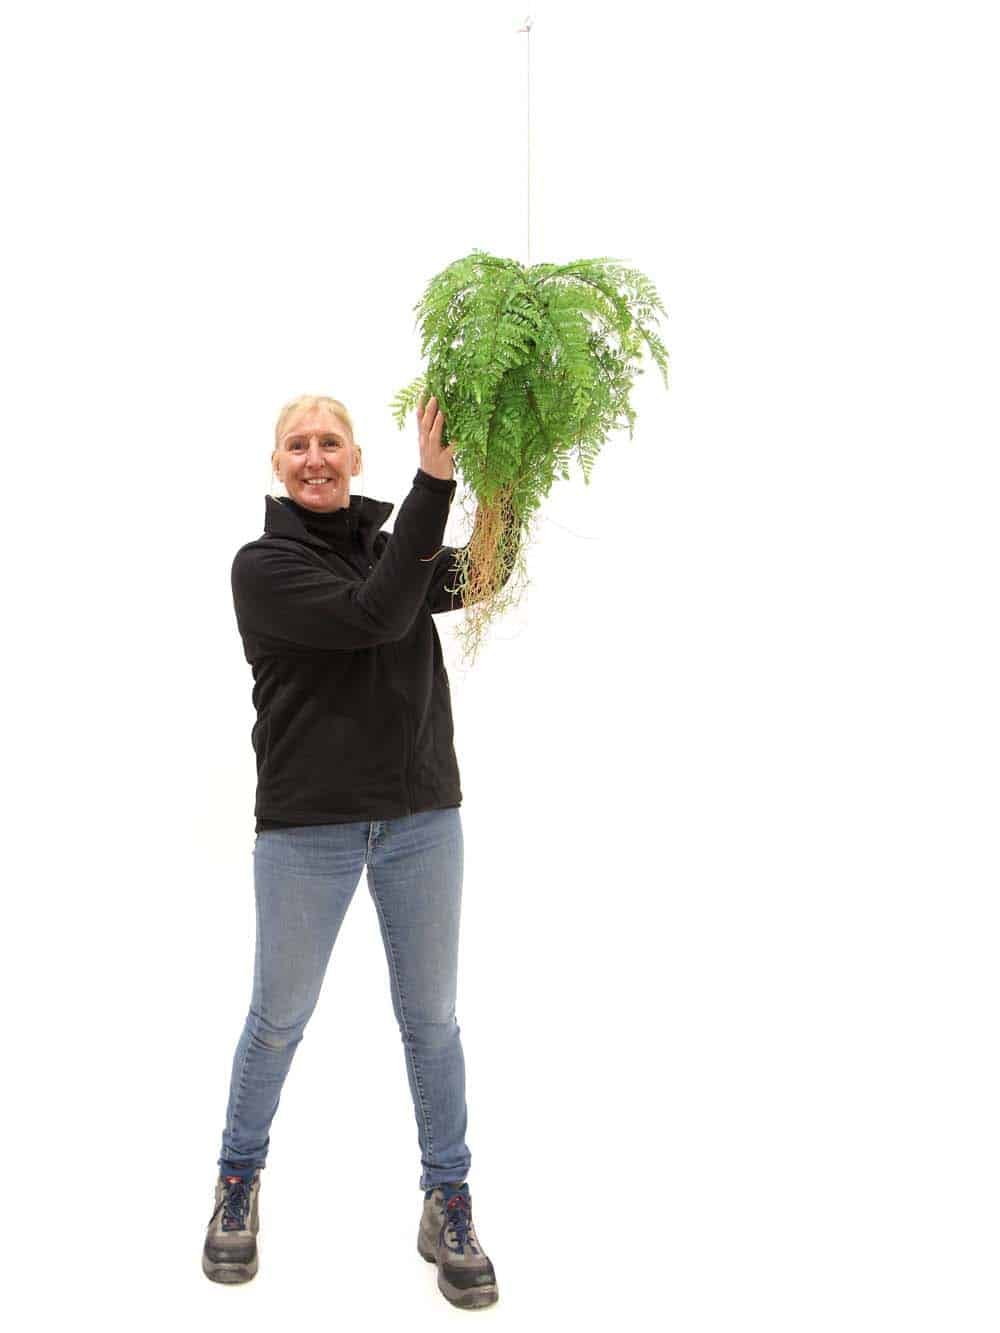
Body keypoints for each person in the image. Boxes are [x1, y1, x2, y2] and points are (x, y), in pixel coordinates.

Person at [202, 392, 512, 1310]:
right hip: (309, 827)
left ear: (356, 457)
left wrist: (510, 476)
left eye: (330, 441)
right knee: (278, 1018)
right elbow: (378, 614)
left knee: (432, 1022)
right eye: (298, 444)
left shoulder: (392, 547)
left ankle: (447, 1198)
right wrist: (436, 482)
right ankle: (237, 1178)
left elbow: (484, 573)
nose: (315, 457)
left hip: (421, 817)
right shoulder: (264, 566)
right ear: (277, 465)